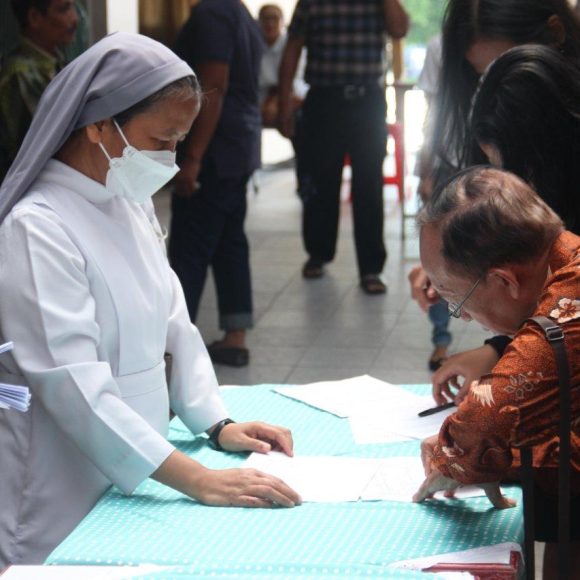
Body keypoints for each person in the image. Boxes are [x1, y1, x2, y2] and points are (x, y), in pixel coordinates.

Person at [0, 32, 301, 568]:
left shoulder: (127, 199)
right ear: (97, 125)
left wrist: (215, 423)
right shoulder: (37, 226)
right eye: (161, 141)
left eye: (179, 142)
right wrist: (198, 479)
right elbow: (73, 386)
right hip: (62, 482)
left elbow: (173, 322)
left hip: (148, 470)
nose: (171, 158)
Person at [412, 167, 580, 578]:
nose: (463, 316)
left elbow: (483, 421)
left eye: (456, 298)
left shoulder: (564, 318)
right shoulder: (565, 253)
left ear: (504, 279)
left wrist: (452, 454)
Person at [408, 0, 580, 397]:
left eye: (512, 64)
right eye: (481, 75)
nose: (494, 87)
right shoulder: (522, 132)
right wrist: (452, 259)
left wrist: (504, 351)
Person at [277, 0, 409, 294]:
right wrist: (284, 103)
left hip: (368, 102)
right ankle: (318, 253)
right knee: (320, 183)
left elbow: (399, 29)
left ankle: (371, 269)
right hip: (323, 101)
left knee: (369, 186)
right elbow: (292, 48)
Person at [168, 0, 264, 368]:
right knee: (228, 243)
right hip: (236, 148)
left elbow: (213, 85)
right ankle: (235, 336)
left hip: (213, 150)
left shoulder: (212, 13)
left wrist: (192, 157)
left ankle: (175, 347)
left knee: (190, 249)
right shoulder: (239, 12)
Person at [0, 0, 79, 181]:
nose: (74, 18)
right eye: (63, 9)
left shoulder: (56, 64)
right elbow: (46, 144)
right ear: (35, 18)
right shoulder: (20, 74)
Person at [412, 34, 452, 372]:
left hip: (500, 164)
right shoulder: (441, 43)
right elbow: (432, 107)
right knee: (437, 259)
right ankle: (441, 339)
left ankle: (510, 344)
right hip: (447, 162)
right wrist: (426, 167)